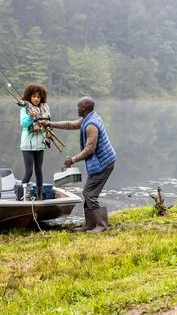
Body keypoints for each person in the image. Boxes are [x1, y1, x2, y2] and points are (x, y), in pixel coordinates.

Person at [41, 96, 116, 232]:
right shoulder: (89, 118)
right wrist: (50, 124)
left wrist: (73, 160)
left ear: (85, 108)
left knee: (89, 194)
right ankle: (90, 225)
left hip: (103, 164)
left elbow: (90, 149)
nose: (77, 108)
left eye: (79, 106)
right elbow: (70, 124)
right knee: (88, 193)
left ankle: (101, 225)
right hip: (101, 162)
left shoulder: (91, 125)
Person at [19, 83, 51, 200]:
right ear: (29, 97)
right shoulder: (25, 109)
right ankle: (20, 195)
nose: (36, 99)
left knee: (39, 170)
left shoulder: (44, 108)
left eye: (38, 96)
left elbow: (47, 123)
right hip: (27, 146)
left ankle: (40, 195)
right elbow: (24, 123)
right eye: (34, 96)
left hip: (40, 145)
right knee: (29, 172)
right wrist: (30, 117)